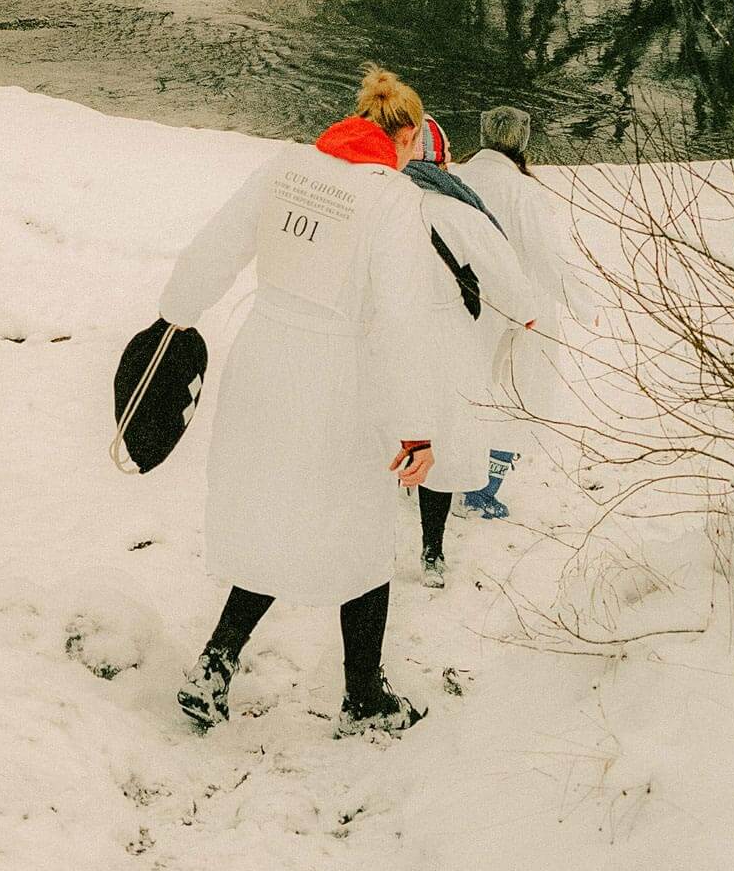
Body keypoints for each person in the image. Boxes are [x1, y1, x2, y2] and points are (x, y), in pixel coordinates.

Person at [157, 66, 468, 736]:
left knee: (276, 511)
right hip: (339, 377)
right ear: (406, 136)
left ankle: (215, 664)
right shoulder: (391, 200)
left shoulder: (287, 167)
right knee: (361, 526)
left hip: (264, 360)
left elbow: (217, 244)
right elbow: (403, 318)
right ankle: (364, 696)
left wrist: (173, 316)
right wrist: (416, 427)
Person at [404, 116, 536, 582]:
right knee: (434, 439)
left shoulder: (378, 202)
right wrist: (526, 312)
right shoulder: (461, 212)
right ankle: (431, 551)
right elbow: (511, 282)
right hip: (441, 342)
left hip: (381, 338)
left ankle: (365, 534)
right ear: (443, 160)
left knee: (385, 433)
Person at [457, 105, 589, 516]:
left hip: (460, 300)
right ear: (523, 141)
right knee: (511, 395)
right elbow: (545, 257)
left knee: (463, 386)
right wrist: (583, 303)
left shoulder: (458, 178)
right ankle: (483, 490)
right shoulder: (523, 191)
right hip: (515, 309)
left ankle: (448, 471)